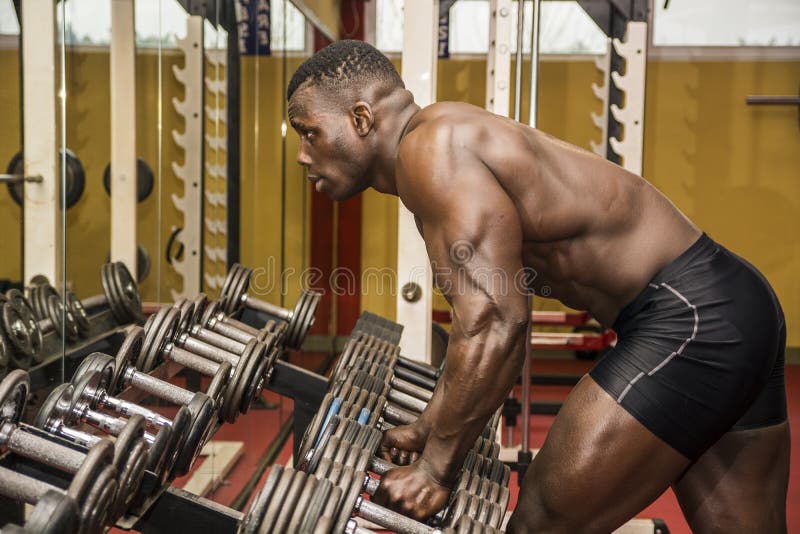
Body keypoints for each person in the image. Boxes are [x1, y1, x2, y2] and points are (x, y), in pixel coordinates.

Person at [286, 40, 789, 533]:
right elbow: (477, 323)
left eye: (309, 133)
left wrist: (435, 470)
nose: (304, 156)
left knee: (539, 524)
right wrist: (429, 426)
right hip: (733, 303)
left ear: (360, 119)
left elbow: (496, 322)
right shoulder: (442, 137)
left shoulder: (431, 152)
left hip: (689, 318)